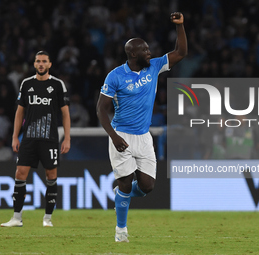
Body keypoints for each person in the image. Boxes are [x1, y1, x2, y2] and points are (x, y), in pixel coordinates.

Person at [97, 12, 187, 242]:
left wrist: (180, 26)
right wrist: (114, 136)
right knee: (126, 181)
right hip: (122, 135)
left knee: (147, 186)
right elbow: (101, 109)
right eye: (145, 50)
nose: (150, 53)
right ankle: (121, 231)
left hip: (144, 136)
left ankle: (121, 196)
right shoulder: (115, 76)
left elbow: (181, 52)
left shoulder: (154, 66)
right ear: (133, 54)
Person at [1, 51, 71, 227]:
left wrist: (67, 138)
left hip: (49, 139)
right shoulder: (26, 84)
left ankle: (47, 218)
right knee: (20, 174)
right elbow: (19, 112)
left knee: (51, 175)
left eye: (44, 61)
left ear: (50, 64)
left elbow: (65, 113)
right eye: (38, 61)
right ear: (34, 64)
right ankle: (17, 217)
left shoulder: (57, 85)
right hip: (29, 138)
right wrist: (15, 137)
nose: (41, 64)